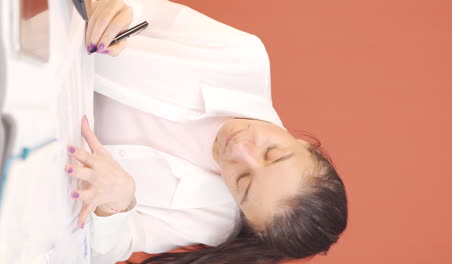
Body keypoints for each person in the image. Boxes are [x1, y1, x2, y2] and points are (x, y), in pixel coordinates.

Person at [66, 0, 348, 263]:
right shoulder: (241, 56)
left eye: (243, 181)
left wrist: (117, 204)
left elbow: (106, 249)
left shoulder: (214, 219)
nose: (240, 150)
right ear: (304, 144)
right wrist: (118, 9)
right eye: (271, 152)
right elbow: (146, 10)